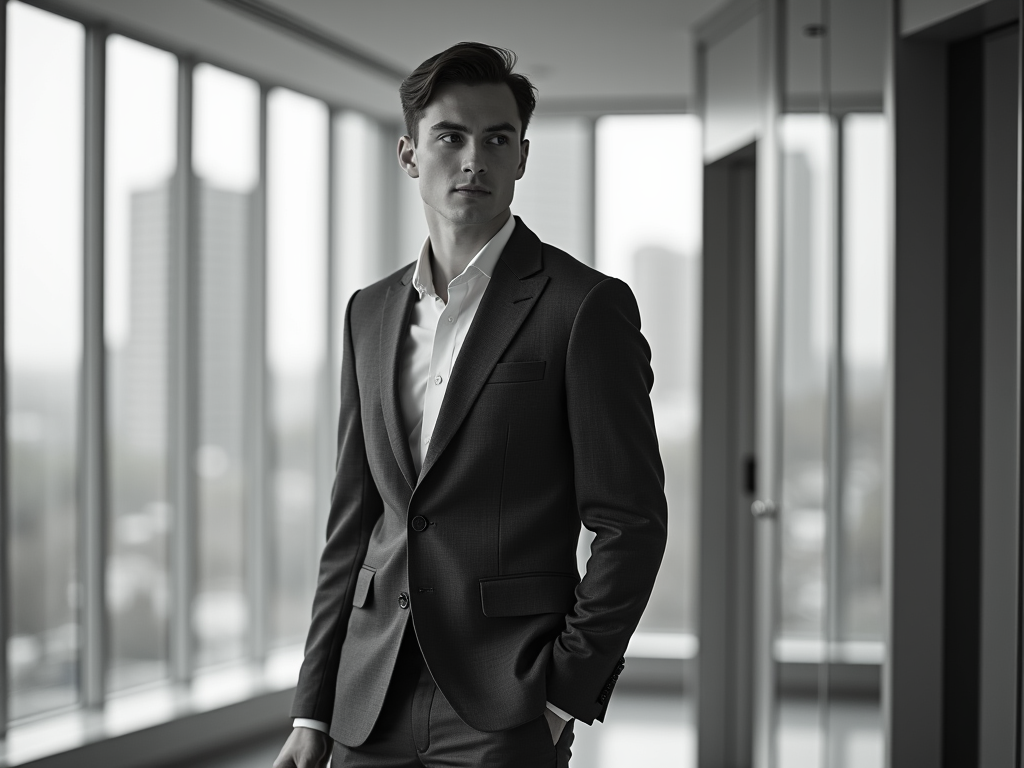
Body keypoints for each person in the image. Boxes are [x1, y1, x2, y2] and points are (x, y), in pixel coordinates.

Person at [273, 41, 667, 768]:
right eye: (450, 136)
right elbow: (352, 524)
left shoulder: (585, 308)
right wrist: (312, 708)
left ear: (522, 157)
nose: (473, 159)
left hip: (505, 702)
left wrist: (559, 696)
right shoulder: (368, 313)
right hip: (369, 694)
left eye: (497, 139)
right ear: (409, 154)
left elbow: (630, 524)